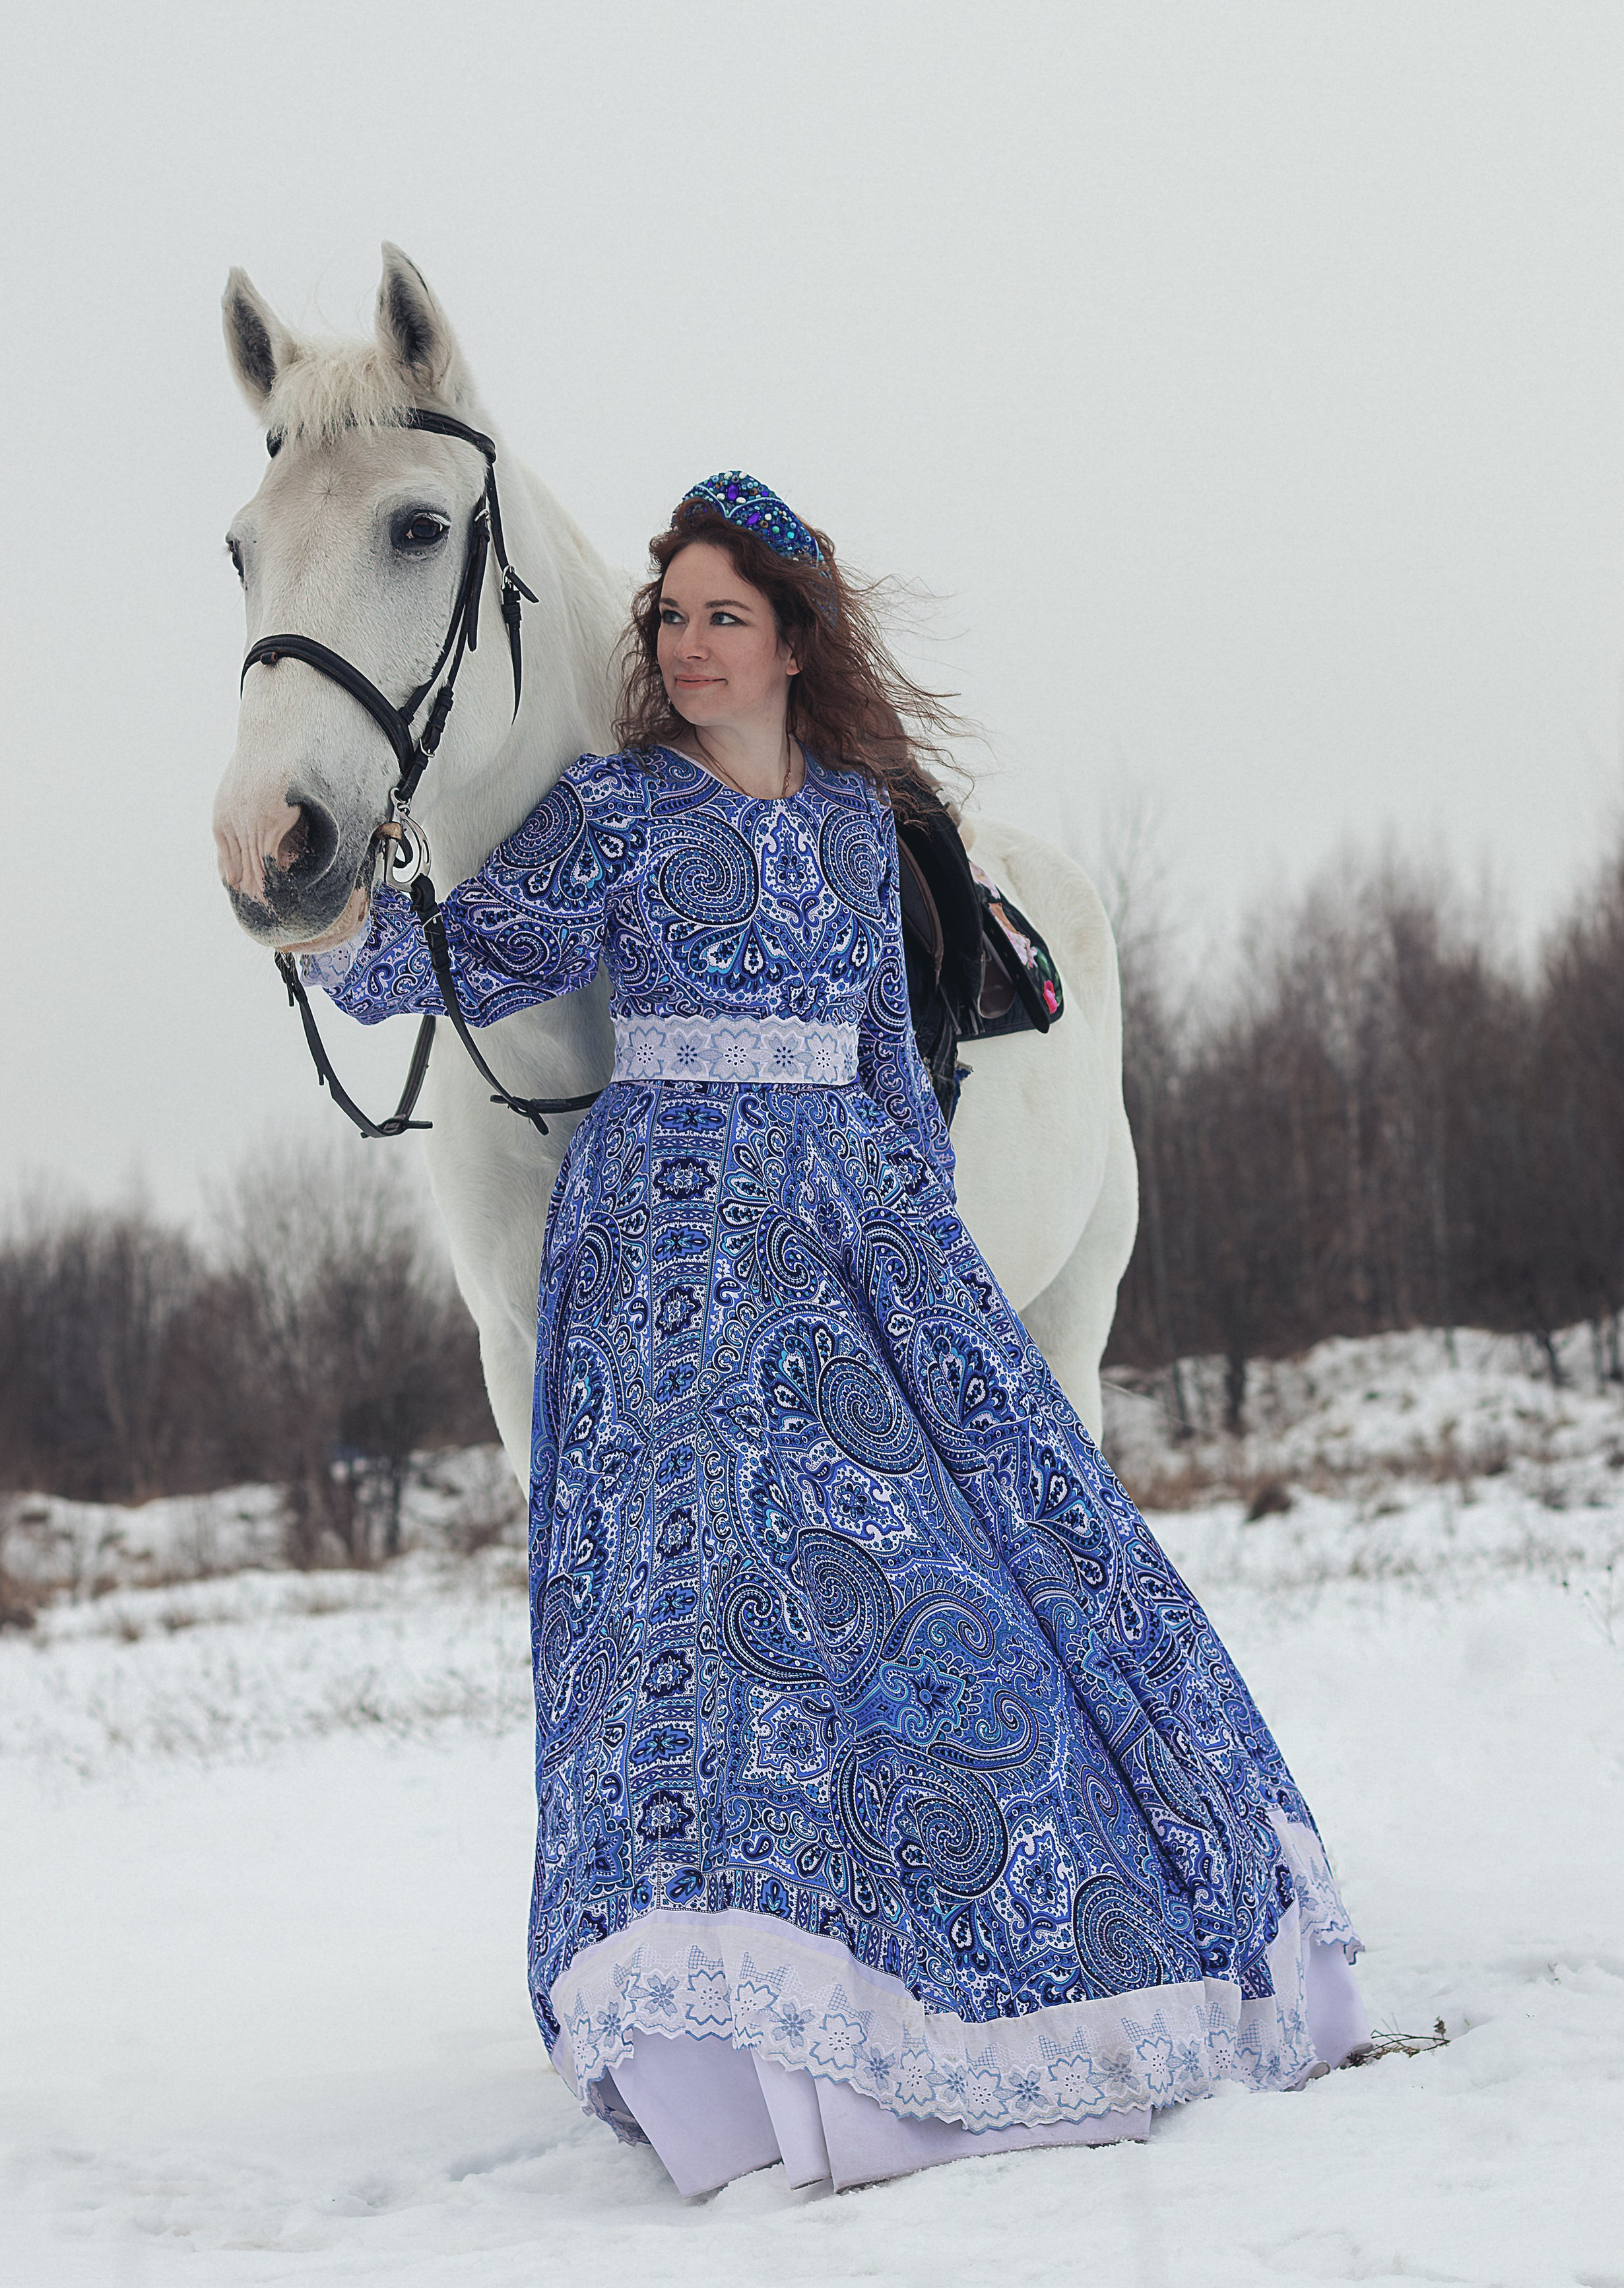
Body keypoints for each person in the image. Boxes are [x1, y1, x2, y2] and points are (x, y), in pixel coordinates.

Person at [302, 471, 1369, 2196]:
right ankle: (738, 2036)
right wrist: (325, 919)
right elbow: (470, 964)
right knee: (714, 1637)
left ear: (796, 638)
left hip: (858, 1223)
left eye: (728, 613)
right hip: (673, 1250)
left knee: (953, 1594)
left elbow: (890, 1064)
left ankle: (993, 1968)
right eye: (672, 615)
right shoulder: (616, 813)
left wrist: (935, 1278)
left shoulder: (860, 830)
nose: (692, 641)